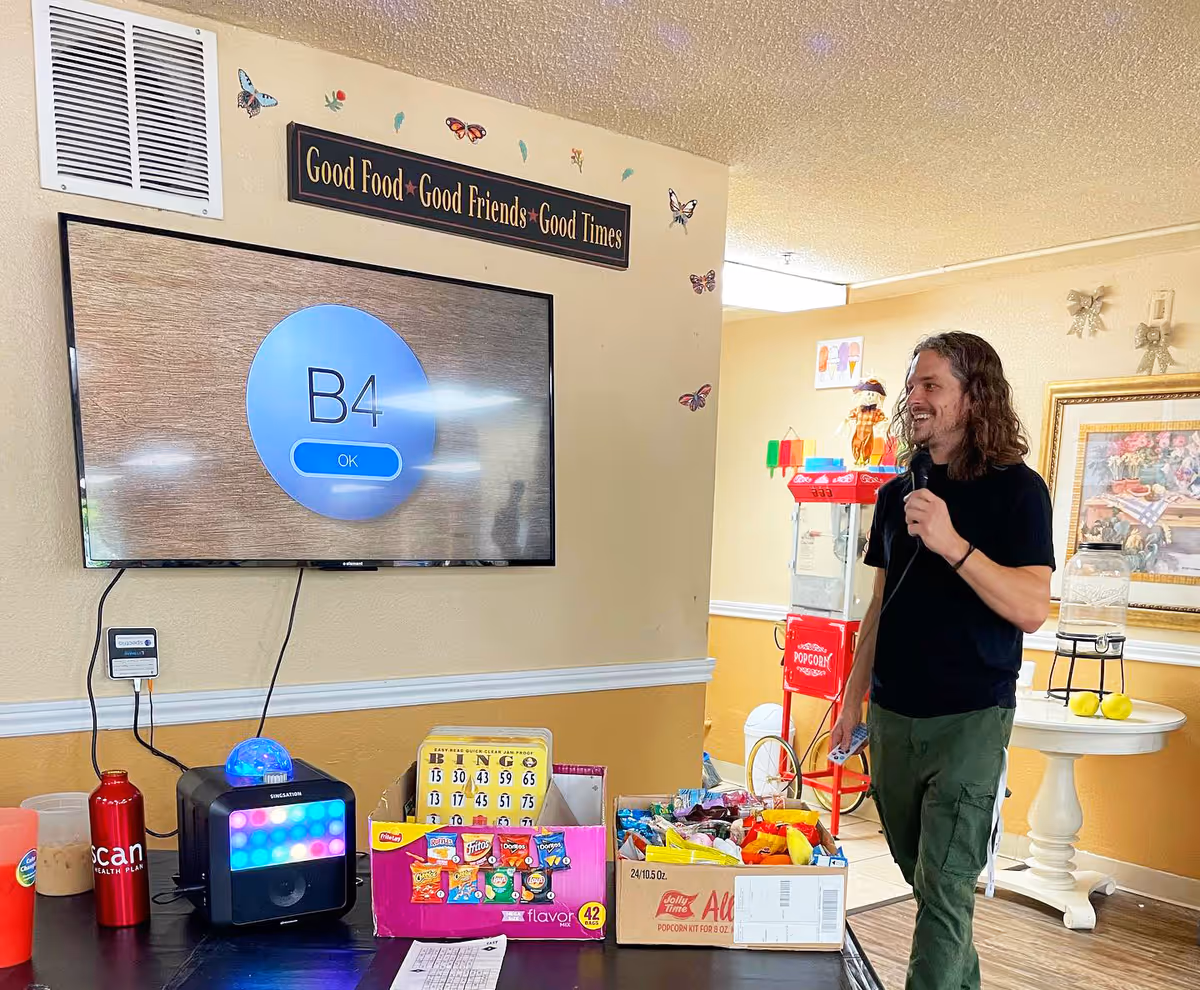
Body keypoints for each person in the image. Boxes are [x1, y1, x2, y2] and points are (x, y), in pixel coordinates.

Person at [829, 331, 1053, 990]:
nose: (914, 398)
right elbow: (878, 607)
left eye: (931, 385)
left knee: (947, 889)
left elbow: (1032, 607)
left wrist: (954, 544)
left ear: (973, 397)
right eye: (913, 385)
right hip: (894, 716)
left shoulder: (1018, 491)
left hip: (970, 718)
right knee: (925, 879)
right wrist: (850, 700)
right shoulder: (896, 494)